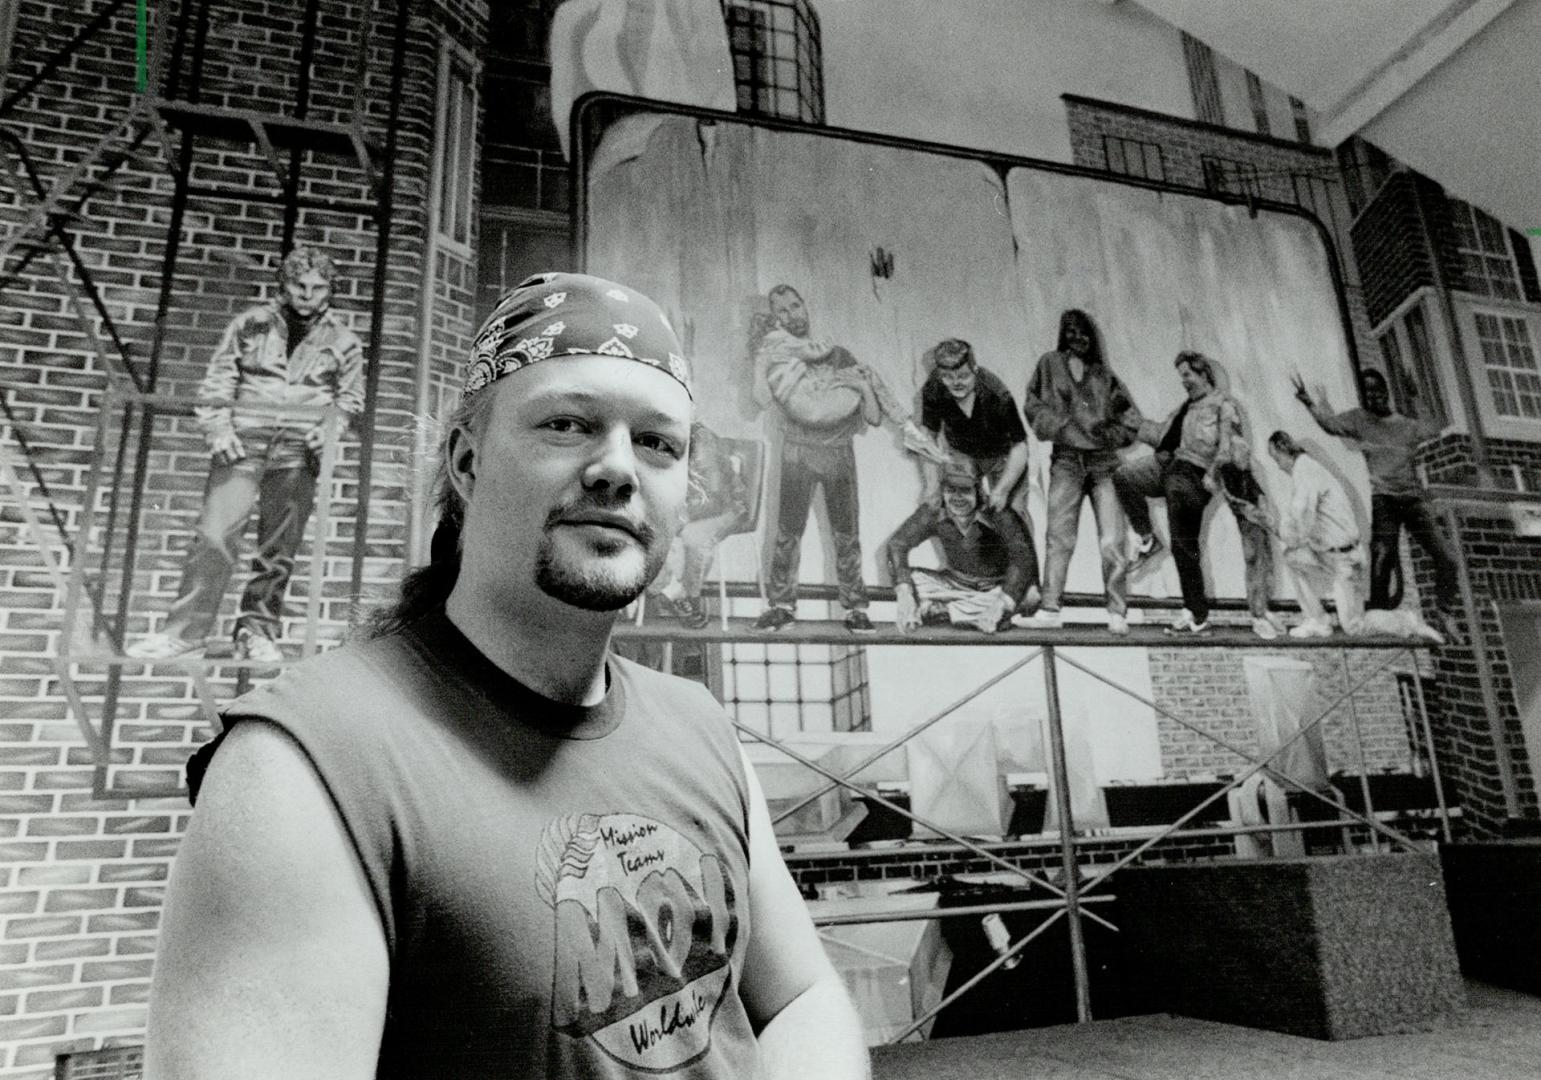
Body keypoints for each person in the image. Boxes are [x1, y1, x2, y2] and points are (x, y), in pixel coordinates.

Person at [144, 273, 871, 1080]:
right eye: (567, 424)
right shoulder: (305, 769)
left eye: (658, 443)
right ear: (466, 459)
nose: (617, 469)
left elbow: (801, 994)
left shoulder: (699, 726)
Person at [127, 245, 364, 663]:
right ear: (284, 284)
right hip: (243, 444)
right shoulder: (250, 325)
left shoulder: (343, 342)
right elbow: (218, 380)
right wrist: (217, 428)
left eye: (318, 287)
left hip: (296, 451)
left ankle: (256, 634)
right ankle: (184, 635)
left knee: (278, 551)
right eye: (299, 285)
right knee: (214, 537)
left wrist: (331, 429)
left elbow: (350, 400)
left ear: (330, 291)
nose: (307, 295)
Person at [752, 283, 919, 635]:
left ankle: (856, 607)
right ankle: (782, 605)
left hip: (838, 453)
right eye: (781, 311)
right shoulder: (781, 355)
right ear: (775, 318)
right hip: (796, 450)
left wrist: (859, 388)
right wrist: (761, 363)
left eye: (795, 305)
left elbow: (873, 418)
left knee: (846, 534)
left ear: (805, 306)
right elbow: (762, 399)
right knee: (787, 533)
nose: (791, 315)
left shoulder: (840, 355)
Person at [1294, 368, 1461, 641]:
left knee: (1448, 559)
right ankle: (1382, 622)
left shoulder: (1406, 425)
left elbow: (1432, 428)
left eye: (1378, 390)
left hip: (1413, 500)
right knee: (1382, 559)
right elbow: (1330, 424)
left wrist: (1416, 395)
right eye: (1369, 392)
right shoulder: (1359, 419)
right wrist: (1309, 402)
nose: (1375, 396)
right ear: (1365, 397)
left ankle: (1444, 609)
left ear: (1386, 391)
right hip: (1384, 499)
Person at [1017, 308, 1136, 634]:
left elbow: (1130, 420)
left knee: (1112, 540)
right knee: (1058, 537)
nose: (1077, 337)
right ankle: (1051, 607)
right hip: (1067, 461)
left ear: (1092, 337)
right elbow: (1033, 405)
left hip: (1104, 464)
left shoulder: (1104, 375)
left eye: (1083, 332)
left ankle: (1117, 611)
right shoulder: (1049, 364)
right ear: (1062, 333)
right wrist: (1061, 426)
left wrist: (1107, 434)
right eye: (1070, 331)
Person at [1113, 351, 1245, 635]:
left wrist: (1213, 474)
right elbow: (1162, 436)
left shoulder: (1224, 405)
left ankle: (1196, 614)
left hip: (1194, 475)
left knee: (1184, 546)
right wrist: (1131, 421)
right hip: (1171, 467)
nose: (1183, 381)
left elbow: (1229, 446)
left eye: (1187, 375)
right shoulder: (1184, 409)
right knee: (1125, 476)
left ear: (1203, 374)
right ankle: (1147, 538)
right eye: (1181, 376)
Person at [918, 337, 1040, 611]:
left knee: (1012, 512)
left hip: (1004, 454)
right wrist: (931, 484)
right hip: (963, 453)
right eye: (948, 378)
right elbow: (927, 439)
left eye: (962, 376)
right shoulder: (934, 390)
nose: (956, 383)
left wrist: (1002, 489)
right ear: (939, 376)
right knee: (958, 507)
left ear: (974, 370)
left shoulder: (996, 393)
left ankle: (1029, 585)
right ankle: (972, 578)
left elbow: (1021, 447)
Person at [885, 461, 1035, 634]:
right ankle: (959, 613)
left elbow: (1022, 558)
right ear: (942, 490)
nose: (957, 498)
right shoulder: (934, 510)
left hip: (993, 588)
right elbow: (897, 544)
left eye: (965, 490)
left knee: (1027, 597)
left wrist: (1001, 603)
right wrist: (905, 594)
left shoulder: (998, 513)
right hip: (954, 584)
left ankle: (942, 611)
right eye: (950, 490)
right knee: (909, 578)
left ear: (978, 491)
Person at [1265, 431, 1366, 639]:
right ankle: (1318, 620)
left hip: (1345, 559)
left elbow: (1302, 517)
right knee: (1292, 558)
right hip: (1331, 556)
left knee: (1354, 628)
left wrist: (1278, 529)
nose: (1278, 466)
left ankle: (1405, 623)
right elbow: (1299, 521)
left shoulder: (1305, 470)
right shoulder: (1306, 469)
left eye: (1277, 459)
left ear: (1285, 451)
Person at [652, 420, 752, 629]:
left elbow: (714, 498)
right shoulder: (654, 434)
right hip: (688, 511)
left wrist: (677, 518)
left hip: (726, 508)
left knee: (694, 537)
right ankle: (672, 591)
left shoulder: (700, 439)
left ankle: (691, 599)